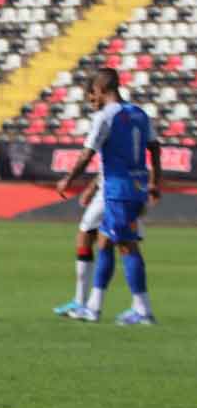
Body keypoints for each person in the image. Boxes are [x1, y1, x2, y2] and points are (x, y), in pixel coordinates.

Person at [56, 68, 160, 325]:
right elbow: (155, 148)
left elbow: (87, 153)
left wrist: (68, 179)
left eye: (94, 93)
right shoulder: (140, 114)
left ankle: (143, 309)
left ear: (102, 89)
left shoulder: (105, 117)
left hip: (117, 190)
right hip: (137, 187)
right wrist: (155, 182)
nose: (93, 99)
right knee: (104, 242)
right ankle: (93, 306)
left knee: (126, 245)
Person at [51, 173, 104, 319]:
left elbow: (89, 156)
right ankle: (141, 308)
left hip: (112, 192)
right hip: (135, 191)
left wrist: (70, 181)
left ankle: (82, 303)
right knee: (125, 246)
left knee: (85, 237)